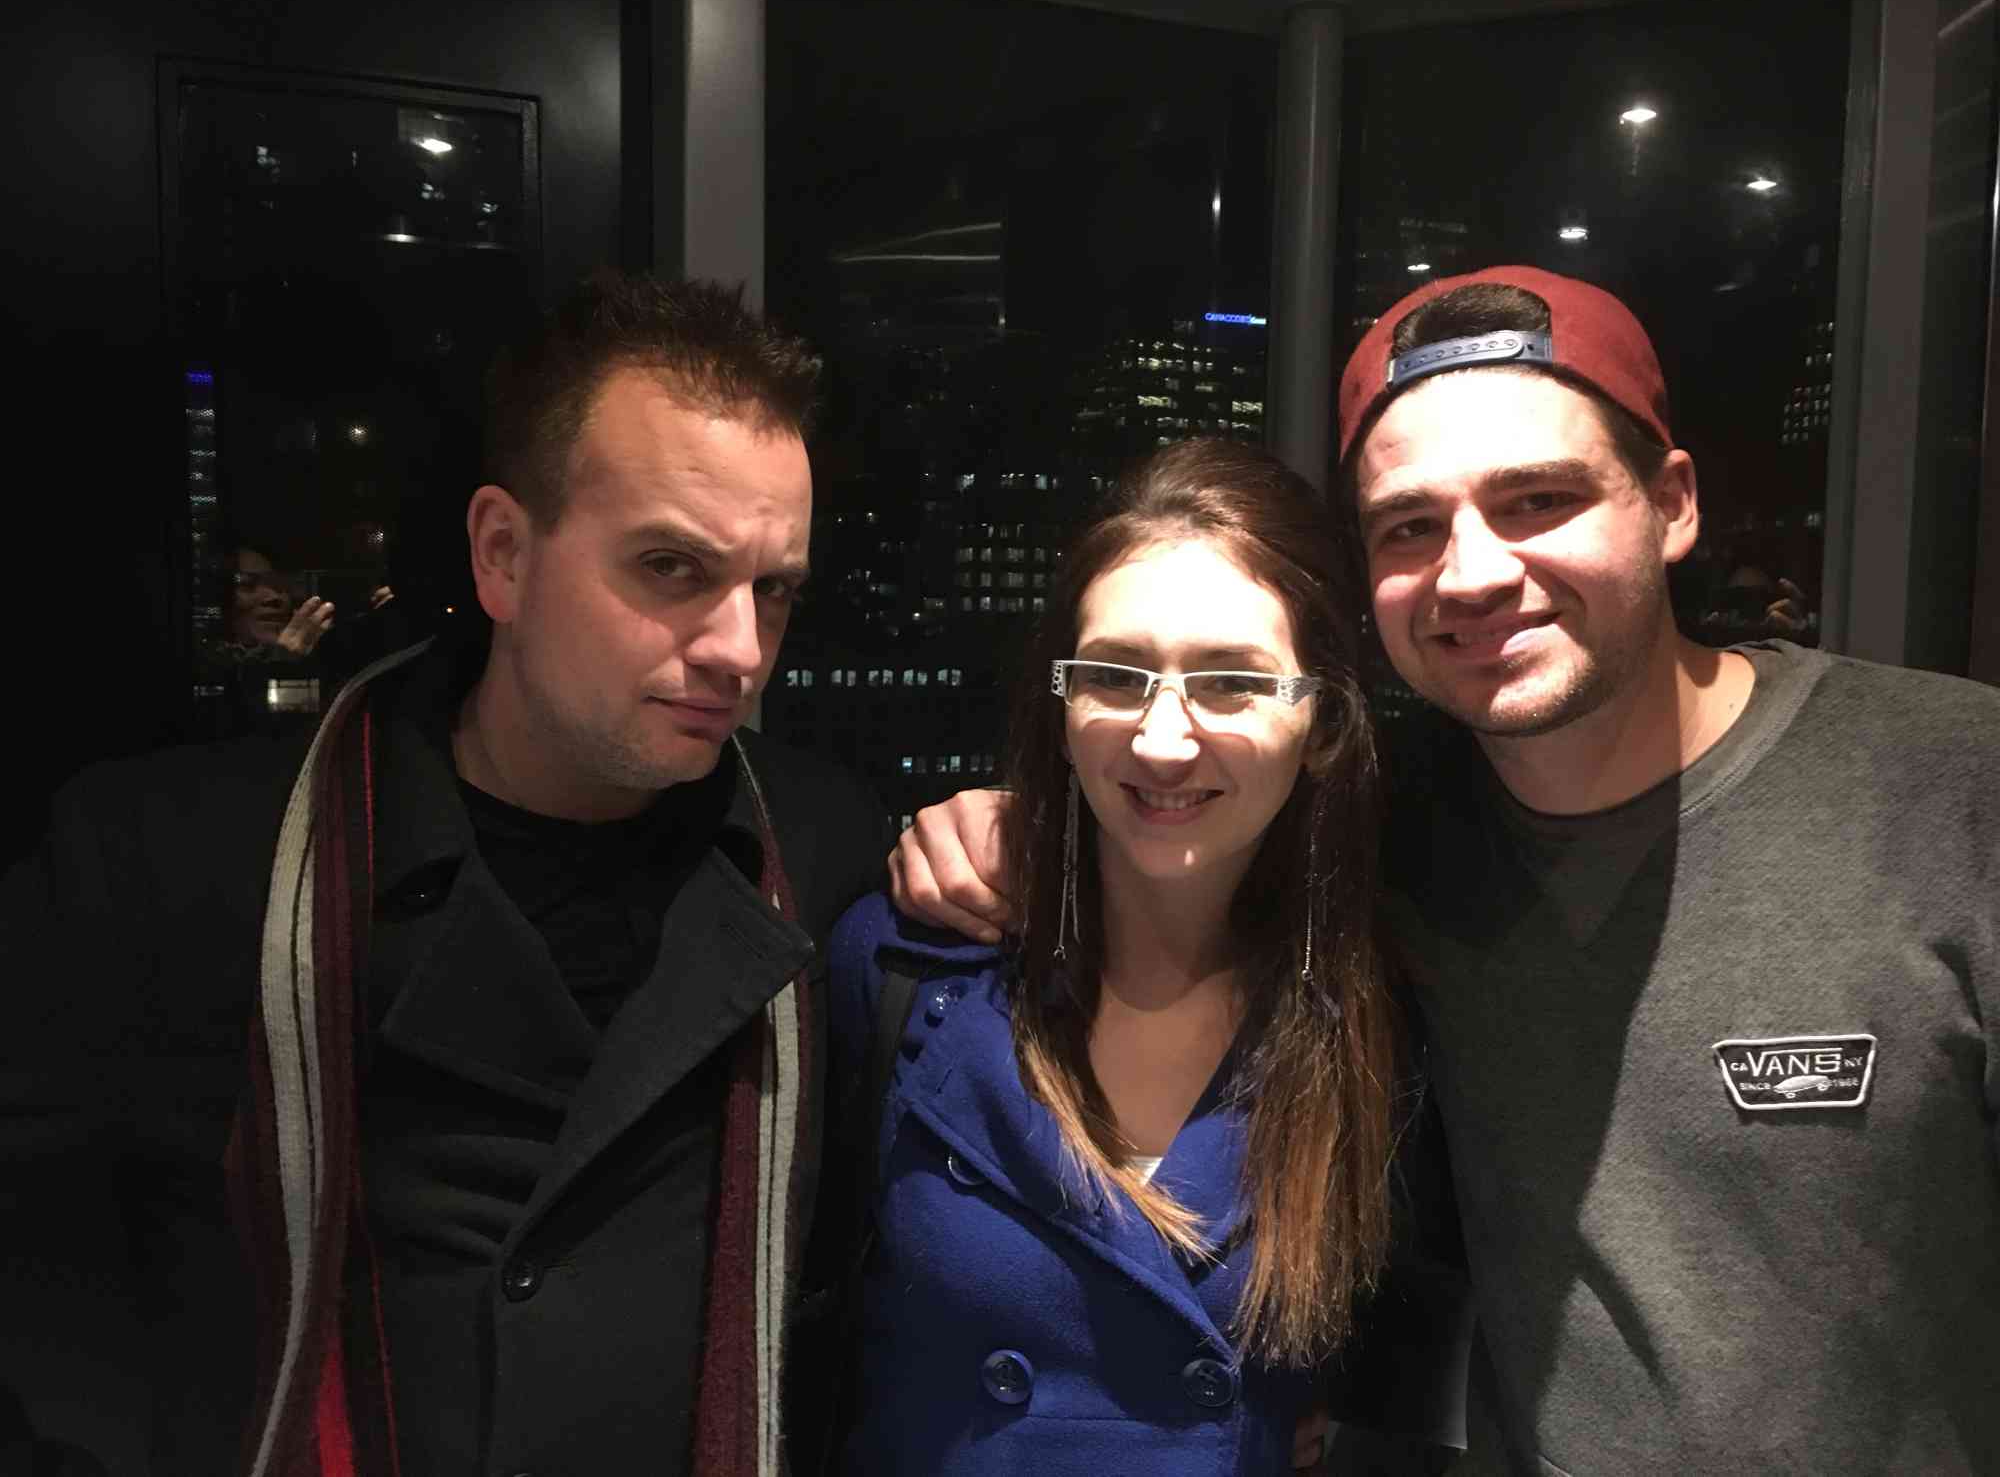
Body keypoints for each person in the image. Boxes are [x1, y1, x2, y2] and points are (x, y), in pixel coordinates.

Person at [891, 266, 2000, 1474]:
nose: (1470, 573)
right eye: (1409, 526)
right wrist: (1014, 826)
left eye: (1537, 499)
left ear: (1670, 503)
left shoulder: (1953, 788)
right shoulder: (1391, 838)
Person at [0, 272, 881, 1475]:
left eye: (771, 590)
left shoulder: (820, 851)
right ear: (503, 554)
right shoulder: (171, 860)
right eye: (671, 567)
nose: (740, 650)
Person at [828, 439, 1407, 1476]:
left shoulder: (1378, 1022)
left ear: (1319, 722)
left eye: (1231, 683)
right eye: (1113, 676)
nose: (1160, 741)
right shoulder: (901, 971)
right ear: (1062, 713)